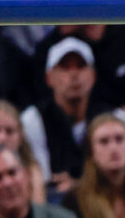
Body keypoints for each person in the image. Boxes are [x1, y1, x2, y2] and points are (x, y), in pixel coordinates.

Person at [20, 38, 119, 189]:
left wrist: (78, 186)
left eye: (81, 66)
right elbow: (43, 181)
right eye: (65, 67)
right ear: (49, 77)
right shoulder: (33, 120)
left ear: (93, 76)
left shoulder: (116, 118)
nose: (74, 74)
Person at [62, 113, 125, 218]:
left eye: (119, 139)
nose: (113, 148)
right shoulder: (74, 201)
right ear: (91, 152)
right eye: (104, 141)